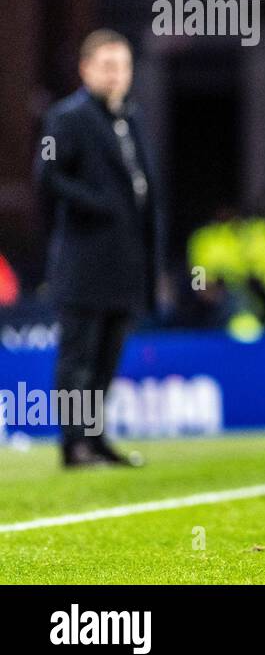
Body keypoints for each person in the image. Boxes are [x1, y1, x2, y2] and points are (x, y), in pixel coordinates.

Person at [35, 30, 160, 468]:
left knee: (107, 359)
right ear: (85, 69)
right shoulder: (67, 117)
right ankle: (74, 445)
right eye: (107, 66)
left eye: (123, 66)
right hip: (83, 261)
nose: (116, 75)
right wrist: (98, 203)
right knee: (79, 359)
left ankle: (96, 437)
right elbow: (47, 175)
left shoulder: (131, 117)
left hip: (124, 263)